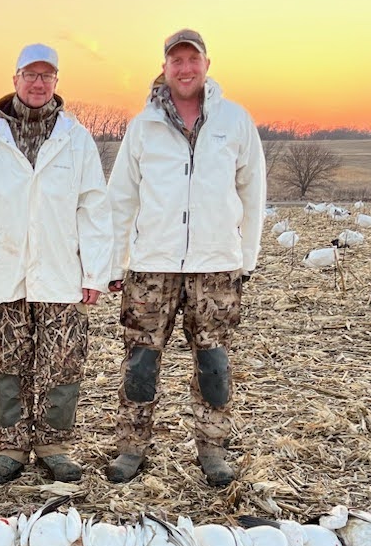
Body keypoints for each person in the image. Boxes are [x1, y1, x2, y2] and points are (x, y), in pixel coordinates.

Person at [105, 28, 265, 486]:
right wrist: (117, 263)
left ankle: (212, 449)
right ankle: (132, 448)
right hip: (152, 265)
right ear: (165, 67)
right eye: (176, 61)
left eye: (192, 59)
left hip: (216, 265)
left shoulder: (234, 122)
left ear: (206, 65)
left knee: (213, 362)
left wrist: (245, 258)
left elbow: (253, 194)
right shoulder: (143, 126)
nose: (185, 68)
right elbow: (121, 199)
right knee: (140, 363)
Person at [0, 43, 111, 484]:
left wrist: (94, 271)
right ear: (15, 79)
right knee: (7, 363)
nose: (39, 83)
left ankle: (54, 444)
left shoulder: (76, 140)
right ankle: (10, 446)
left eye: (48, 75)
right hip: (2, 272)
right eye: (31, 74)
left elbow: (94, 209)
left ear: (56, 82)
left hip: (61, 272)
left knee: (63, 361)